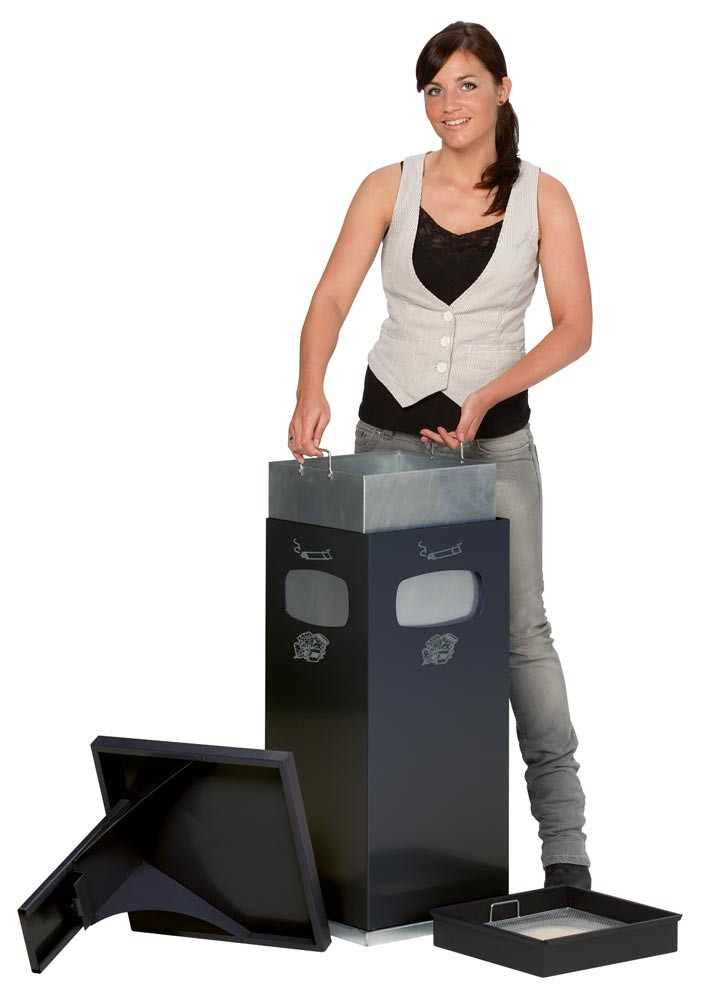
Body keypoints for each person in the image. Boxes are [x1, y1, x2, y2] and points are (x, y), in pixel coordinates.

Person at [287, 21, 592, 890]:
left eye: (465, 84)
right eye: (432, 88)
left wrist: (487, 396)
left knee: (519, 636)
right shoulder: (387, 185)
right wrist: (310, 385)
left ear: (502, 89)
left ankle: (564, 850)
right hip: (386, 441)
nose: (448, 104)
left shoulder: (545, 198)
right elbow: (331, 296)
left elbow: (574, 327)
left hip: (496, 451)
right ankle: (371, 847)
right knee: (377, 637)